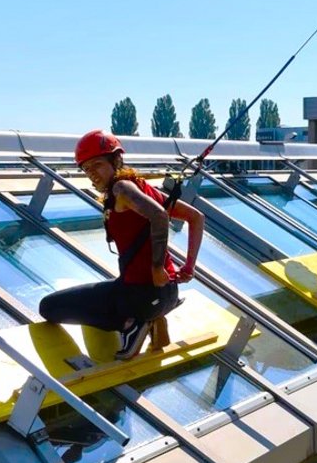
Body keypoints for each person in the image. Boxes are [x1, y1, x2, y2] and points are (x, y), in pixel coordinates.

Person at [39, 130, 204, 358]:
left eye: (97, 165)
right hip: (168, 294)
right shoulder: (144, 188)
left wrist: (157, 268)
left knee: (48, 307)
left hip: (139, 299)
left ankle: (131, 325)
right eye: (86, 169)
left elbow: (159, 216)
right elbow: (196, 217)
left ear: (116, 160)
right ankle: (153, 319)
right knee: (104, 290)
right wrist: (188, 267)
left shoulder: (121, 189)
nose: (92, 174)